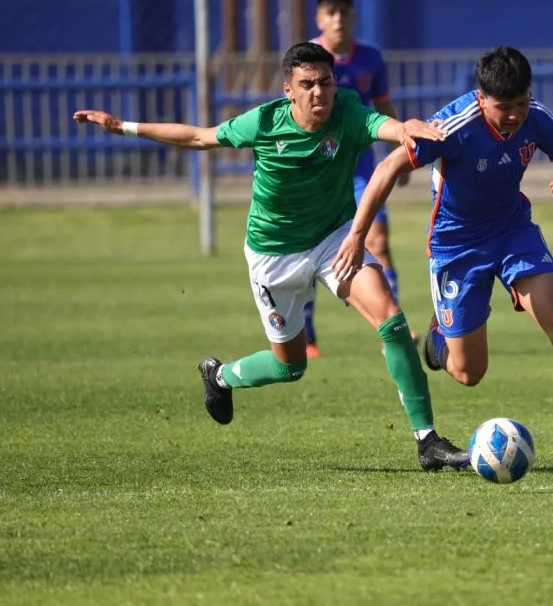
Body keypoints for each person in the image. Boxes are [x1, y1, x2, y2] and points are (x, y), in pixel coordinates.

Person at [73, 41, 469, 471]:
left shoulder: (348, 110)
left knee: (390, 319)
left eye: (326, 82)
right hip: (273, 256)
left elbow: (382, 125)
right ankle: (219, 375)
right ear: (288, 91)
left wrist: (406, 127)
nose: (319, 92)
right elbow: (198, 136)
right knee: (289, 367)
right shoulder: (263, 123)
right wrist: (122, 126)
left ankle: (427, 441)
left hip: (333, 238)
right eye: (308, 84)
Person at [332, 46, 553, 478]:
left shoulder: (537, 116)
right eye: (503, 107)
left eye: (520, 103)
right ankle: (439, 343)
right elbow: (386, 170)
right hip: (456, 246)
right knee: (468, 372)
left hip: (514, 232)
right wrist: (357, 234)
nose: (514, 115)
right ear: (481, 98)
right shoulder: (454, 124)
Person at [303, 0, 414, 359]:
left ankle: (395, 325)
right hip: (317, 172)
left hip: (362, 168)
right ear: (319, 19)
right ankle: (306, 336)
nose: (337, 19)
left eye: (343, 13)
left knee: (378, 242)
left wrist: (402, 153)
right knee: (307, 250)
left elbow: (383, 106)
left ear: (353, 17)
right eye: (329, 13)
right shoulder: (309, 60)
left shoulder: (370, 58)